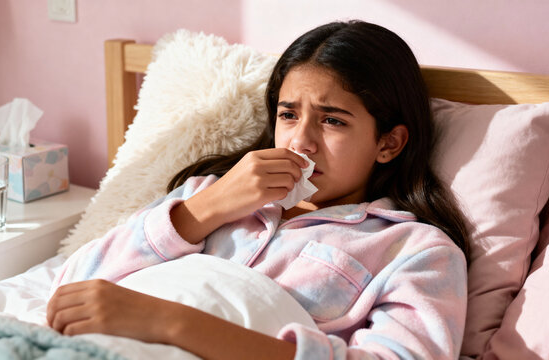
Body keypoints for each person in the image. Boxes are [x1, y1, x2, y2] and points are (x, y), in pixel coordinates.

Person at [47, 20, 470, 359]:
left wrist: (174, 323)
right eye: (288, 115)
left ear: (388, 142)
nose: (300, 141)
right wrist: (206, 209)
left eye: (333, 120)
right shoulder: (209, 193)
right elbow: (71, 288)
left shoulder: (416, 251)